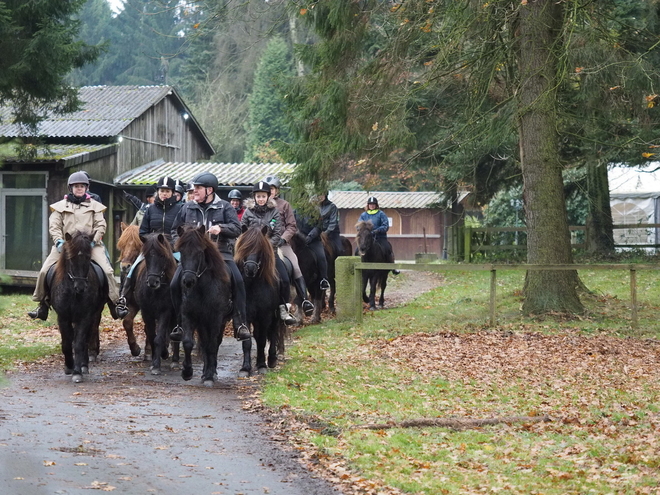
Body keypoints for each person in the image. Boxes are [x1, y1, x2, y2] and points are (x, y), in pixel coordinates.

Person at [28, 171, 122, 321]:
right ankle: (42, 304)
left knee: (108, 271)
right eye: (76, 186)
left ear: (86, 188)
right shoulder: (59, 207)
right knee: (44, 271)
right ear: (70, 188)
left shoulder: (96, 206)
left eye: (82, 186)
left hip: (90, 245)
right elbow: (54, 226)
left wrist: (93, 241)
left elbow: (100, 225)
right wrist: (59, 241)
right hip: (66, 246)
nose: (79, 189)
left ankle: (115, 303)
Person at [170, 172, 250, 341]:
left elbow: (236, 228)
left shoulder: (225, 207)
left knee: (239, 281)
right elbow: (174, 230)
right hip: (193, 256)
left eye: (198, 188)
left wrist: (221, 228)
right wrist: (183, 244)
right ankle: (178, 324)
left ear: (210, 190)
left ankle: (240, 322)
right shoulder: (186, 207)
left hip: (221, 254)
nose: (194, 191)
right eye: (194, 188)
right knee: (174, 284)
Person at [115, 176, 183, 319]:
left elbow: (182, 230)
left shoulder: (180, 209)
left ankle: (186, 302)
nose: (164, 194)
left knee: (184, 268)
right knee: (133, 269)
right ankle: (123, 298)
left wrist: (174, 243)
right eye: (162, 191)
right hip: (152, 248)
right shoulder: (150, 209)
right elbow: (143, 231)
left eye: (167, 191)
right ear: (158, 192)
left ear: (172, 193)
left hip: (173, 248)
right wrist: (150, 241)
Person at [241, 181, 297, 325]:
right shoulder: (247, 212)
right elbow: (243, 232)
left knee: (284, 278)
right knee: (235, 276)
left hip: (269, 252)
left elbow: (277, 233)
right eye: (258, 196)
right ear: (254, 197)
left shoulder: (274, 212)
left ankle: (284, 309)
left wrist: (265, 247)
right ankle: (235, 309)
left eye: (263, 196)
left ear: (268, 197)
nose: (260, 199)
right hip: (250, 252)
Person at [263, 176, 314, 316]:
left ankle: (304, 299)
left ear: (277, 190)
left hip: (281, 244)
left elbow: (292, 226)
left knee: (295, 265)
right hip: (262, 244)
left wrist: (283, 239)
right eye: (268, 189)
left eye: (272, 189)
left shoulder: (284, 205)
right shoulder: (260, 205)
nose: (270, 192)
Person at [358, 196, 399, 275]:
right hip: (367, 238)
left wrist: (377, 231)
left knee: (387, 248)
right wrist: (362, 230)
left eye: (373, 204)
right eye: (370, 204)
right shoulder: (363, 215)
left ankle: (393, 266)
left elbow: (385, 225)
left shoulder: (381, 214)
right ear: (368, 205)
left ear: (376, 205)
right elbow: (359, 224)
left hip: (380, 237)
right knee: (357, 249)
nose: (372, 206)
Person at [295, 204, 331, 291]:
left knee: (321, 256)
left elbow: (319, 226)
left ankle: (324, 279)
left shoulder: (315, 211)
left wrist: (310, 236)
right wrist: (300, 236)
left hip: (313, 240)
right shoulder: (294, 212)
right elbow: (292, 225)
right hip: (299, 240)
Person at [318, 192, 344, 260]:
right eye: (318, 195)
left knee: (340, 250)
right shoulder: (315, 207)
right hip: (318, 232)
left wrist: (326, 233)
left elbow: (333, 222)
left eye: (321, 194)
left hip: (331, 233)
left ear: (325, 195)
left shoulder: (332, 206)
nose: (320, 196)